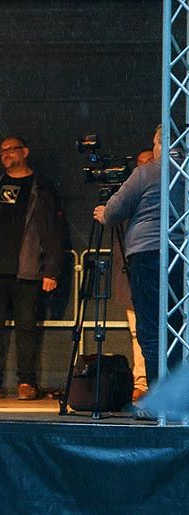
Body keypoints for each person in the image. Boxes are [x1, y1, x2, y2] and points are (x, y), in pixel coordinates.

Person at [0, 136, 63, 400]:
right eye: (2, 152)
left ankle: (26, 383)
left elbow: (53, 231)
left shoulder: (41, 187)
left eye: (11, 150)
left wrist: (51, 270)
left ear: (25, 152)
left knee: (26, 328)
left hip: (27, 269)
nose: (6, 155)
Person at [94, 126, 168, 386]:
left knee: (149, 326)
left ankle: (158, 395)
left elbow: (115, 210)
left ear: (161, 144)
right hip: (180, 257)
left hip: (148, 255)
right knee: (178, 325)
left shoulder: (147, 172)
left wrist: (104, 214)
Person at [109, 148, 155, 401]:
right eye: (140, 165)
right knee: (139, 333)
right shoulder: (128, 198)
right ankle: (142, 382)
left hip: (158, 272)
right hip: (132, 274)